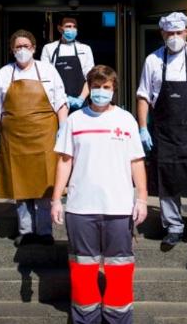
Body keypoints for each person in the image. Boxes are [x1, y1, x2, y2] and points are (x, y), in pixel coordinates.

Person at [51, 65, 147, 324]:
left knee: (120, 272)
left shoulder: (126, 120)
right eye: (96, 87)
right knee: (83, 273)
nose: (101, 92)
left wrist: (142, 198)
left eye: (106, 87)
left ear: (113, 90)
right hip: (81, 209)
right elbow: (64, 161)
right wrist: (56, 199)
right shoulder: (75, 120)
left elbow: (137, 161)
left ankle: (117, 319)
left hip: (118, 208)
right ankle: (85, 318)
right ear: (89, 88)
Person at [137, 12, 187, 251]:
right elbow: (143, 96)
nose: (174, 37)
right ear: (163, 34)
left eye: (178, 32)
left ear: (186, 33)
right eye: (169, 33)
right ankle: (173, 228)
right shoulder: (153, 60)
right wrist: (143, 128)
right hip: (164, 132)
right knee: (167, 181)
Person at [0, 29, 68, 246]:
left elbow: (61, 102)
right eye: (17, 47)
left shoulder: (48, 71)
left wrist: (63, 127)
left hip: (44, 135)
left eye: (26, 46)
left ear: (34, 48)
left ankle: (44, 231)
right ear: (12, 50)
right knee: (19, 185)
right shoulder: (4, 74)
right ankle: (25, 230)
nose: (22, 50)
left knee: (44, 185)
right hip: (13, 137)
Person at [41, 16, 95, 111]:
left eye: (74, 27)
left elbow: (90, 77)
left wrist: (81, 98)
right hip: (56, 102)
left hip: (81, 102)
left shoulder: (85, 49)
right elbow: (45, 78)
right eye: (68, 26)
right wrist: (60, 99)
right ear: (60, 28)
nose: (72, 29)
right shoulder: (49, 48)